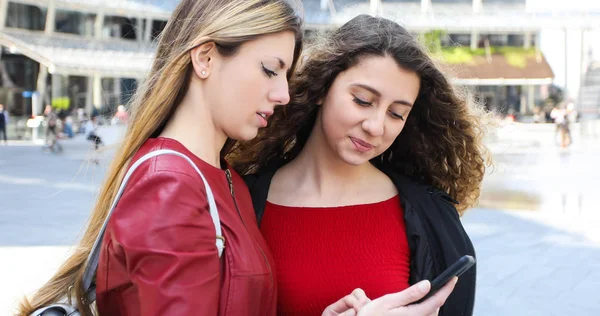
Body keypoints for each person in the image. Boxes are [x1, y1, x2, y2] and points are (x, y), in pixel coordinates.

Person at [17, 0, 303, 315]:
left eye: (285, 75)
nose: (283, 93)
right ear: (205, 57)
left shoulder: (226, 178)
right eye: (269, 70)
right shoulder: (168, 186)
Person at [233, 15, 490, 316]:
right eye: (363, 100)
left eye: (396, 114)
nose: (376, 126)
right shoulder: (240, 203)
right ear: (321, 89)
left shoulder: (434, 219)